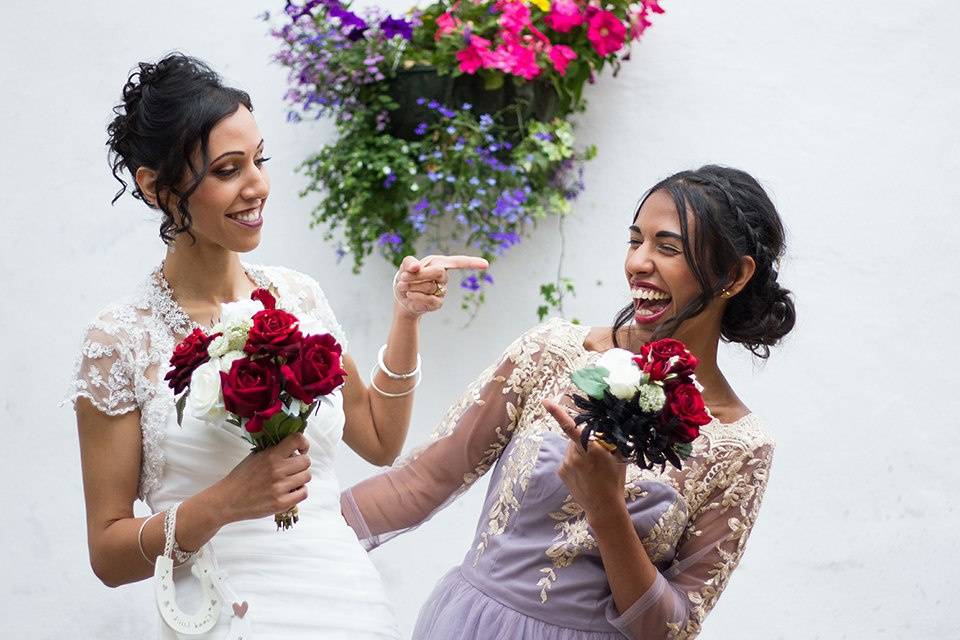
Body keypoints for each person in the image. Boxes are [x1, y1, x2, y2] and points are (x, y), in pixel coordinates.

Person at [67, 53, 487, 639]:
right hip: (221, 614)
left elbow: (380, 439)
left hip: (346, 602)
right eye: (228, 170)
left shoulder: (299, 296)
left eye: (259, 161)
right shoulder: (119, 342)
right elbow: (108, 555)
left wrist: (407, 316)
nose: (257, 185)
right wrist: (221, 503)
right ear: (157, 188)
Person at [341, 165, 796, 639]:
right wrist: (275, 529)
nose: (638, 262)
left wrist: (605, 506)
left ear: (735, 275)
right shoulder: (551, 353)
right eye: (634, 240)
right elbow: (421, 483)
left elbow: (670, 630)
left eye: (667, 247)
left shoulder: (742, 448)